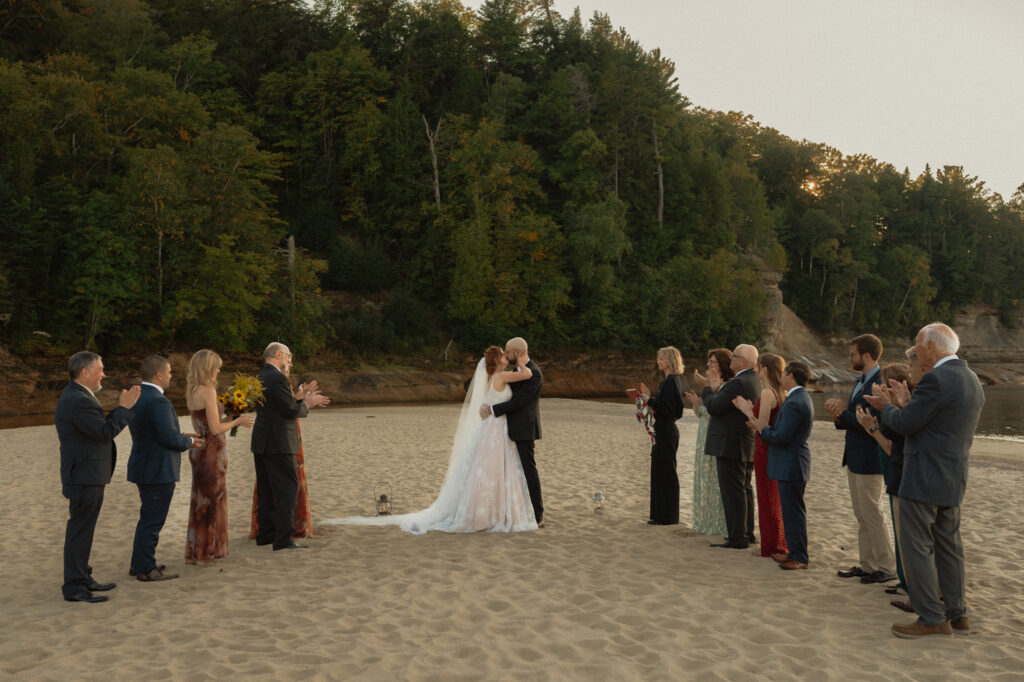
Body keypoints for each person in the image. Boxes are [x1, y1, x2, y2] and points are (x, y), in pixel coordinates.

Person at [323, 346, 538, 534]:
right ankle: (495, 512)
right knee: (497, 470)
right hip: (496, 429)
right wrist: (521, 361)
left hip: (490, 428)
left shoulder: (492, 377)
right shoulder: (501, 377)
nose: (505, 357)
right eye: (502, 355)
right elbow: (528, 373)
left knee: (485, 470)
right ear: (496, 361)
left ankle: (484, 512)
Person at [865, 323, 984, 639]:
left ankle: (932, 617)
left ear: (932, 346)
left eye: (917, 345)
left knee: (916, 547)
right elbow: (935, 425)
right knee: (950, 547)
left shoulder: (935, 379)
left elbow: (905, 424)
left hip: (924, 477)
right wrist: (905, 405)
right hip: (953, 476)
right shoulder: (971, 378)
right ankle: (958, 614)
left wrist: (886, 407)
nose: (914, 350)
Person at [55, 351, 140, 603]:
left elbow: (97, 428)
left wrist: (119, 410)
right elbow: (104, 432)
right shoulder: (77, 399)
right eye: (100, 369)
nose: (104, 373)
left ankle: (82, 577)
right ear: (85, 372)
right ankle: (74, 586)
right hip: (83, 475)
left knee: (83, 528)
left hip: (86, 474)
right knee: (80, 530)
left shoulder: (78, 396)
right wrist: (123, 409)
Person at [826, 333, 896, 585]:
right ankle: (868, 565)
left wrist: (843, 414)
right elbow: (854, 419)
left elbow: (870, 420)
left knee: (873, 512)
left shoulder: (880, 382)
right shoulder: (860, 380)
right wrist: (838, 416)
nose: (850, 357)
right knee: (861, 514)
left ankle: (887, 566)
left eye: (853, 353)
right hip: (854, 455)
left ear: (867, 355)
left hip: (870, 457)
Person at [126, 355, 202, 582]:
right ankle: (145, 569)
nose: (170, 376)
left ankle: (139, 563)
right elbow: (167, 437)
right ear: (159, 374)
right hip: (158, 469)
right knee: (152, 520)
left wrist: (181, 435)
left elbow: (152, 432)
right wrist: (188, 442)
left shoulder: (137, 395)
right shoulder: (158, 401)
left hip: (143, 464)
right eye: (169, 372)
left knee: (147, 517)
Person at [251, 343, 330, 551]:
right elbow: (288, 411)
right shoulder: (277, 377)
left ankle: (265, 535)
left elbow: (277, 406)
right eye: (288, 357)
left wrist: (301, 398)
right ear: (278, 354)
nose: (290, 361)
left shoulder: (261, 376)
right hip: (279, 442)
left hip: (262, 441)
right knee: (287, 489)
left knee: (266, 489)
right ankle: (283, 540)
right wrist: (307, 404)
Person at [736, 361, 813, 570]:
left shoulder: (796, 400)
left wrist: (762, 428)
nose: (782, 376)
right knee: (790, 511)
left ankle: (799, 556)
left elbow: (781, 435)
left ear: (791, 376)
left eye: (785, 373)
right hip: (791, 461)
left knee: (794, 512)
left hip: (792, 462)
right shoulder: (797, 397)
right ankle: (793, 553)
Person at [856, 356, 919, 609]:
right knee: (900, 532)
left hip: (901, 473)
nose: (879, 388)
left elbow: (894, 448)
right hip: (893, 471)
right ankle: (905, 581)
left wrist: (871, 428)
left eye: (883, 384)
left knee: (906, 536)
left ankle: (910, 584)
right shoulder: (897, 411)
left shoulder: (903, 413)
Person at [184, 349, 254, 563]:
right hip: (212, 450)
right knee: (213, 498)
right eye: (216, 367)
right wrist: (238, 422)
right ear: (208, 368)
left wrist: (229, 414)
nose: (218, 371)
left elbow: (206, 422)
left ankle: (199, 549)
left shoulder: (192, 390)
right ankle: (210, 550)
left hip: (199, 448)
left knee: (201, 498)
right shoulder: (208, 391)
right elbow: (215, 428)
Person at [693, 344, 761, 549]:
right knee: (744, 489)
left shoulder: (737, 383)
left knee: (733, 492)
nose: (731, 360)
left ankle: (737, 537)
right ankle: (747, 534)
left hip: (730, 444)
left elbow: (714, 407)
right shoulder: (754, 380)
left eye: (734, 357)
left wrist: (707, 389)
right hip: (745, 442)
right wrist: (714, 390)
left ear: (744, 361)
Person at [480, 337, 545, 527]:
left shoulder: (534, 373)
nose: (506, 356)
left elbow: (519, 402)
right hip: (505, 428)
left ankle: (537, 513)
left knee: (528, 470)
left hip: (524, 428)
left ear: (516, 352)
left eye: (508, 352)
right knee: (510, 471)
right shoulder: (514, 371)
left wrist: (491, 409)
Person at [684, 349, 730, 537]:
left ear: (722, 364)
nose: (709, 365)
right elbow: (704, 413)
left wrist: (701, 404)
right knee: (705, 476)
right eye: (709, 362)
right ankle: (705, 519)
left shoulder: (726, 385)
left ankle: (718, 522)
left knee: (715, 478)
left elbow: (715, 412)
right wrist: (697, 404)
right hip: (703, 433)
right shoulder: (712, 386)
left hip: (716, 433)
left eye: (713, 362)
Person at [638, 347, 685, 525]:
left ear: (671, 360)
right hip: (663, 430)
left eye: (662, 358)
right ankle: (659, 515)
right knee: (659, 472)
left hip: (666, 431)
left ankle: (667, 516)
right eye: (658, 358)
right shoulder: (669, 381)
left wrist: (649, 399)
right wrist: (649, 398)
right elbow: (669, 408)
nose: (659, 361)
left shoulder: (671, 382)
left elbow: (671, 409)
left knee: (665, 473)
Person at [748, 353, 788, 558]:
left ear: (764, 369)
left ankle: (771, 546)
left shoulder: (767, 393)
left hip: (764, 449)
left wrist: (747, 411)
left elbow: (762, 426)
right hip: (774, 450)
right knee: (775, 498)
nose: (755, 370)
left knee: (767, 498)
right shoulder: (782, 392)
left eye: (757, 367)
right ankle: (777, 542)